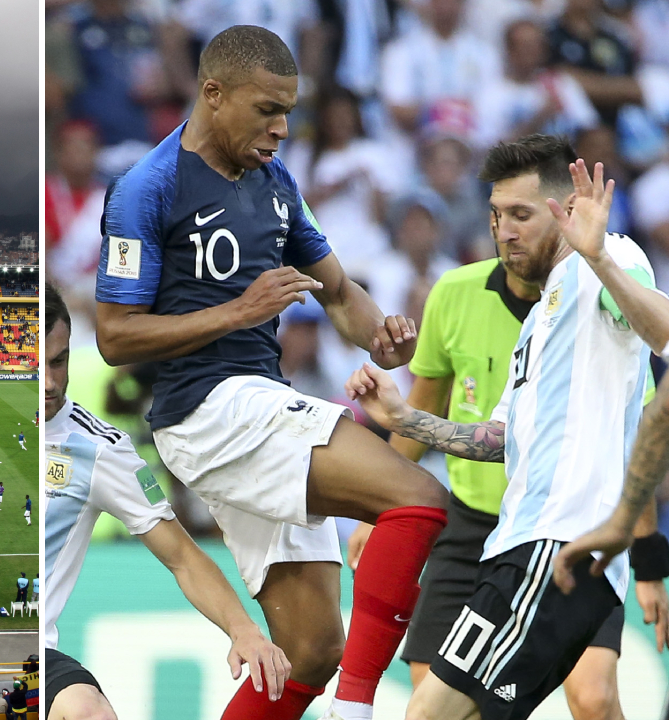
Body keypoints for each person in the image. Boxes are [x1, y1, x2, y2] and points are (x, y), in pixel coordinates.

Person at [92, 25, 451, 720]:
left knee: (310, 648)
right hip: (205, 409)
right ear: (213, 93)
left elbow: (340, 295)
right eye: (267, 110)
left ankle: (336, 687)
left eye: (289, 111)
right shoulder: (147, 188)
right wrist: (238, 312)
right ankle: (358, 706)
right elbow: (114, 335)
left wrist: (384, 340)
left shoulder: (277, 182)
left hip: (256, 406)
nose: (282, 129)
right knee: (419, 500)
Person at [346, 142, 669, 719]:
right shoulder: (541, 318)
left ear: (569, 209)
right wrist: (403, 419)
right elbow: (498, 440)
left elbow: (663, 331)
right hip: (520, 550)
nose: (505, 231)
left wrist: (598, 257)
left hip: (551, 550)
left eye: (522, 214)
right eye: (497, 216)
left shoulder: (608, 261)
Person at [44, 283, 292, 718]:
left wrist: (243, 630)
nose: (49, 382)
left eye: (58, 362)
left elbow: (182, 556)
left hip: (28, 652)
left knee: (88, 711)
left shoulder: (98, 448)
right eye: (33, 366)